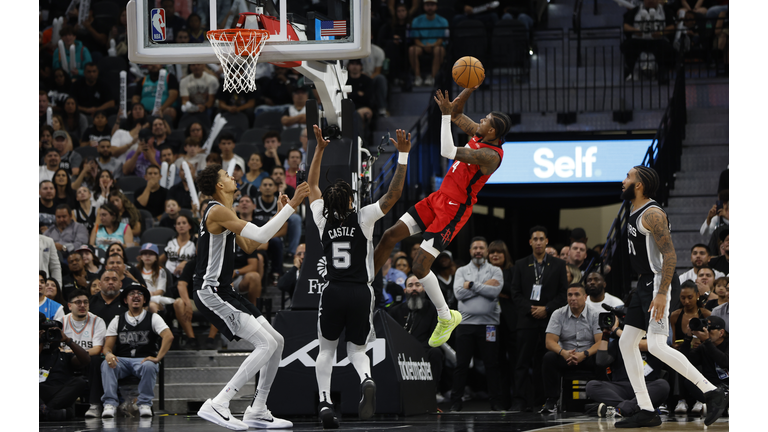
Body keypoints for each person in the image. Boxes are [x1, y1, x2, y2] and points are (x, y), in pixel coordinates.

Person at [374, 87, 512, 350]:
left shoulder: (490, 156)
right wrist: (469, 86)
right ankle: (368, 283)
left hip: (454, 210)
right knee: (390, 235)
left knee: (418, 268)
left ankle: (445, 316)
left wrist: (445, 117)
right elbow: (459, 112)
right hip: (438, 198)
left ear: (492, 132)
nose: (480, 120)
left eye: (485, 120)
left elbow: (448, 151)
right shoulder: (480, 134)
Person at [308, 126, 411, 428]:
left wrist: (319, 148)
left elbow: (312, 184)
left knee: (326, 349)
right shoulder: (363, 217)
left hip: (333, 290)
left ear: (329, 204)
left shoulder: (320, 217)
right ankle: (366, 378)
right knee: (357, 349)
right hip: (360, 292)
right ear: (351, 203)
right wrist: (402, 155)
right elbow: (393, 195)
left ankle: (326, 403)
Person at [193, 164, 308, 430]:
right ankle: (219, 403)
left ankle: (258, 409)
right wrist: (293, 206)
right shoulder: (216, 210)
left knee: (277, 341)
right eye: (226, 175)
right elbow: (259, 234)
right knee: (265, 344)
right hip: (211, 292)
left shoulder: (227, 212)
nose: (233, 176)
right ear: (219, 185)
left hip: (225, 290)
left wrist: (281, 212)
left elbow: (251, 244)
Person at [616, 166, 726, 428]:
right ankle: (646, 409)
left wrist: (663, 293)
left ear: (640, 184)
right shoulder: (633, 209)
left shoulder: (652, 214)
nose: (623, 181)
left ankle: (711, 391)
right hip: (643, 282)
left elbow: (670, 256)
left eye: (628, 177)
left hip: (658, 282)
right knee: (626, 342)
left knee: (655, 344)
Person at [507, 226, 568, 411]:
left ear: (547, 241)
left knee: (545, 361)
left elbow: (563, 293)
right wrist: (530, 309)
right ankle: (519, 401)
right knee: (521, 363)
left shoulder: (558, 265)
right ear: (530, 242)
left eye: (542, 238)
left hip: (549, 320)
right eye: (535, 239)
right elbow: (515, 292)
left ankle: (543, 400)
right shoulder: (520, 264)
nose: (539, 242)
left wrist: (547, 309)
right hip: (527, 320)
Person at [100, 282, 174, 418]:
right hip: (121, 360)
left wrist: (158, 357)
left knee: (150, 365)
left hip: (143, 359)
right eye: (131, 294)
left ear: (145, 300)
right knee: (107, 364)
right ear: (125, 299)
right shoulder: (117, 320)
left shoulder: (153, 317)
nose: (136, 296)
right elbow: (107, 347)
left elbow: (168, 336)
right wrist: (109, 354)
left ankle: (144, 403)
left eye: (139, 294)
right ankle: (109, 404)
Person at [450, 237, 504, 412]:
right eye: (475, 248)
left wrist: (472, 285)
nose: (478, 251)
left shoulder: (496, 271)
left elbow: (495, 291)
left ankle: (495, 401)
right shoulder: (461, 271)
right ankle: (455, 402)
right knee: (461, 364)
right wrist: (483, 287)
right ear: (470, 251)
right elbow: (458, 294)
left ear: (487, 251)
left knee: (492, 364)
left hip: (489, 325)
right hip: (465, 324)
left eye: (481, 248)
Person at [585, 311, 670, 420]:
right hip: (621, 387)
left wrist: (617, 330)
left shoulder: (655, 337)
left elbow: (641, 344)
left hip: (647, 386)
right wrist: (606, 333)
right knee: (592, 386)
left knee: (663, 385)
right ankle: (632, 408)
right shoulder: (618, 341)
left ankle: (618, 409)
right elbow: (601, 361)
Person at [540, 284, 601, 413]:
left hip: (587, 356)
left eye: (577, 294)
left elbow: (600, 342)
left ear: (585, 297)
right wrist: (563, 352)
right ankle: (552, 400)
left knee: (602, 356)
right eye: (570, 295)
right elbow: (549, 342)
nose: (573, 298)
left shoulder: (595, 315)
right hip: (566, 356)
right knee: (549, 357)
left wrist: (584, 354)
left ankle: (600, 399)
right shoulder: (558, 314)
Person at [388, 275, 445, 403]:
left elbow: (434, 337)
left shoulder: (433, 309)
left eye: (418, 285)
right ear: (405, 290)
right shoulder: (395, 311)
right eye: (410, 285)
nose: (414, 288)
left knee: (436, 353)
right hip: (400, 352)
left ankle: (432, 392)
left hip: (424, 350)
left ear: (424, 289)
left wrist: (417, 350)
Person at [61, 289, 109, 418]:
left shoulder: (97, 321)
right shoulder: (62, 321)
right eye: (78, 302)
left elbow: (97, 349)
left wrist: (74, 351)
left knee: (96, 361)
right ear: (70, 306)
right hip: (67, 359)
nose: (82, 305)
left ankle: (95, 404)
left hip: (87, 360)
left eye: (85, 302)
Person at [39, 313, 91, 421]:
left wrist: (68, 341)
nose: (50, 337)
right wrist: (40, 342)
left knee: (80, 382)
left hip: (59, 394)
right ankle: (50, 413)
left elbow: (86, 360)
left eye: (53, 334)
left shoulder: (64, 356)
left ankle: (44, 412)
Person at [678, 316, 729, 418]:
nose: (707, 332)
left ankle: (718, 405)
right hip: (710, 389)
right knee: (688, 380)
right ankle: (716, 405)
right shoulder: (704, 347)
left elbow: (725, 362)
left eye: (710, 329)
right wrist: (688, 338)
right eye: (705, 328)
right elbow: (684, 361)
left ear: (721, 332)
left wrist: (707, 341)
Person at [487, 239, 516, 409]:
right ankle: (500, 401)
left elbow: (514, 291)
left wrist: (495, 288)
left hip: (510, 323)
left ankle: (519, 399)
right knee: (496, 363)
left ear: (505, 255)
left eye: (499, 252)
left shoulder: (513, 271)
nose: (495, 255)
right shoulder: (484, 272)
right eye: (492, 252)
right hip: (490, 323)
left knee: (514, 363)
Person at [409, 0, 448, 86]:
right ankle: (417, 77)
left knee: (439, 50)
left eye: (432, 5)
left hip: (436, 46)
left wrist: (433, 45)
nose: (430, 7)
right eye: (427, 5)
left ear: (436, 6)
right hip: (421, 45)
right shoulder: (416, 20)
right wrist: (423, 46)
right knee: (412, 50)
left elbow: (441, 39)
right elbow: (416, 39)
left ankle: (432, 77)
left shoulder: (443, 21)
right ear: (423, 6)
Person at [136, 243, 174, 314]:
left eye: (151, 254)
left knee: (151, 306)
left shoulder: (161, 271)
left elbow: (160, 291)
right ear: (141, 257)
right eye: (145, 254)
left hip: (155, 299)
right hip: (138, 298)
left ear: (156, 257)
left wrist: (149, 294)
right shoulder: (136, 270)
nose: (147, 256)